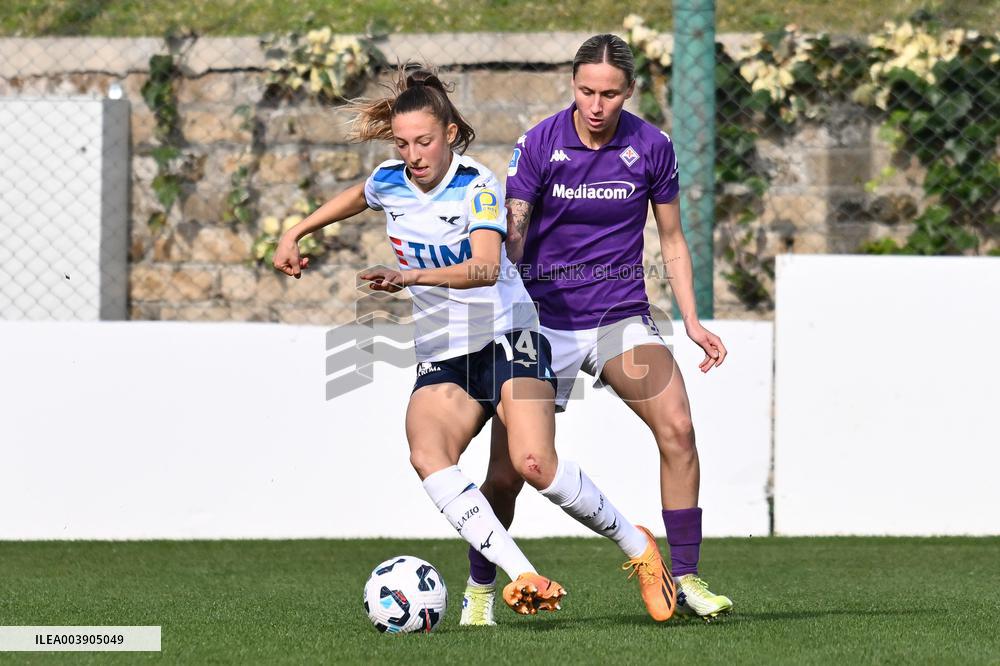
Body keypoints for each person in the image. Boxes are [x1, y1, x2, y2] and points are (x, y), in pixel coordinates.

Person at [272, 67, 677, 621]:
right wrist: (295, 232)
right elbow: (357, 196)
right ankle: (522, 575)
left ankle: (641, 550)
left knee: (532, 465)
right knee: (427, 454)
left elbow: (486, 267)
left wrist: (409, 277)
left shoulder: (477, 186)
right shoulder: (390, 180)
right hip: (445, 351)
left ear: (451, 135)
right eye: (403, 143)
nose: (414, 154)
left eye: (425, 141)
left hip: (512, 336)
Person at [460, 35, 734, 626]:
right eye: (586, 90)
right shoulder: (538, 144)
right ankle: (480, 592)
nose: (596, 103)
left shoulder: (652, 146)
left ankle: (683, 578)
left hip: (618, 316)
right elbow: (512, 237)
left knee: (679, 428)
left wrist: (690, 319)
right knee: (508, 473)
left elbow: (673, 239)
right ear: (573, 85)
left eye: (610, 93)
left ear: (628, 92)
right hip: (540, 323)